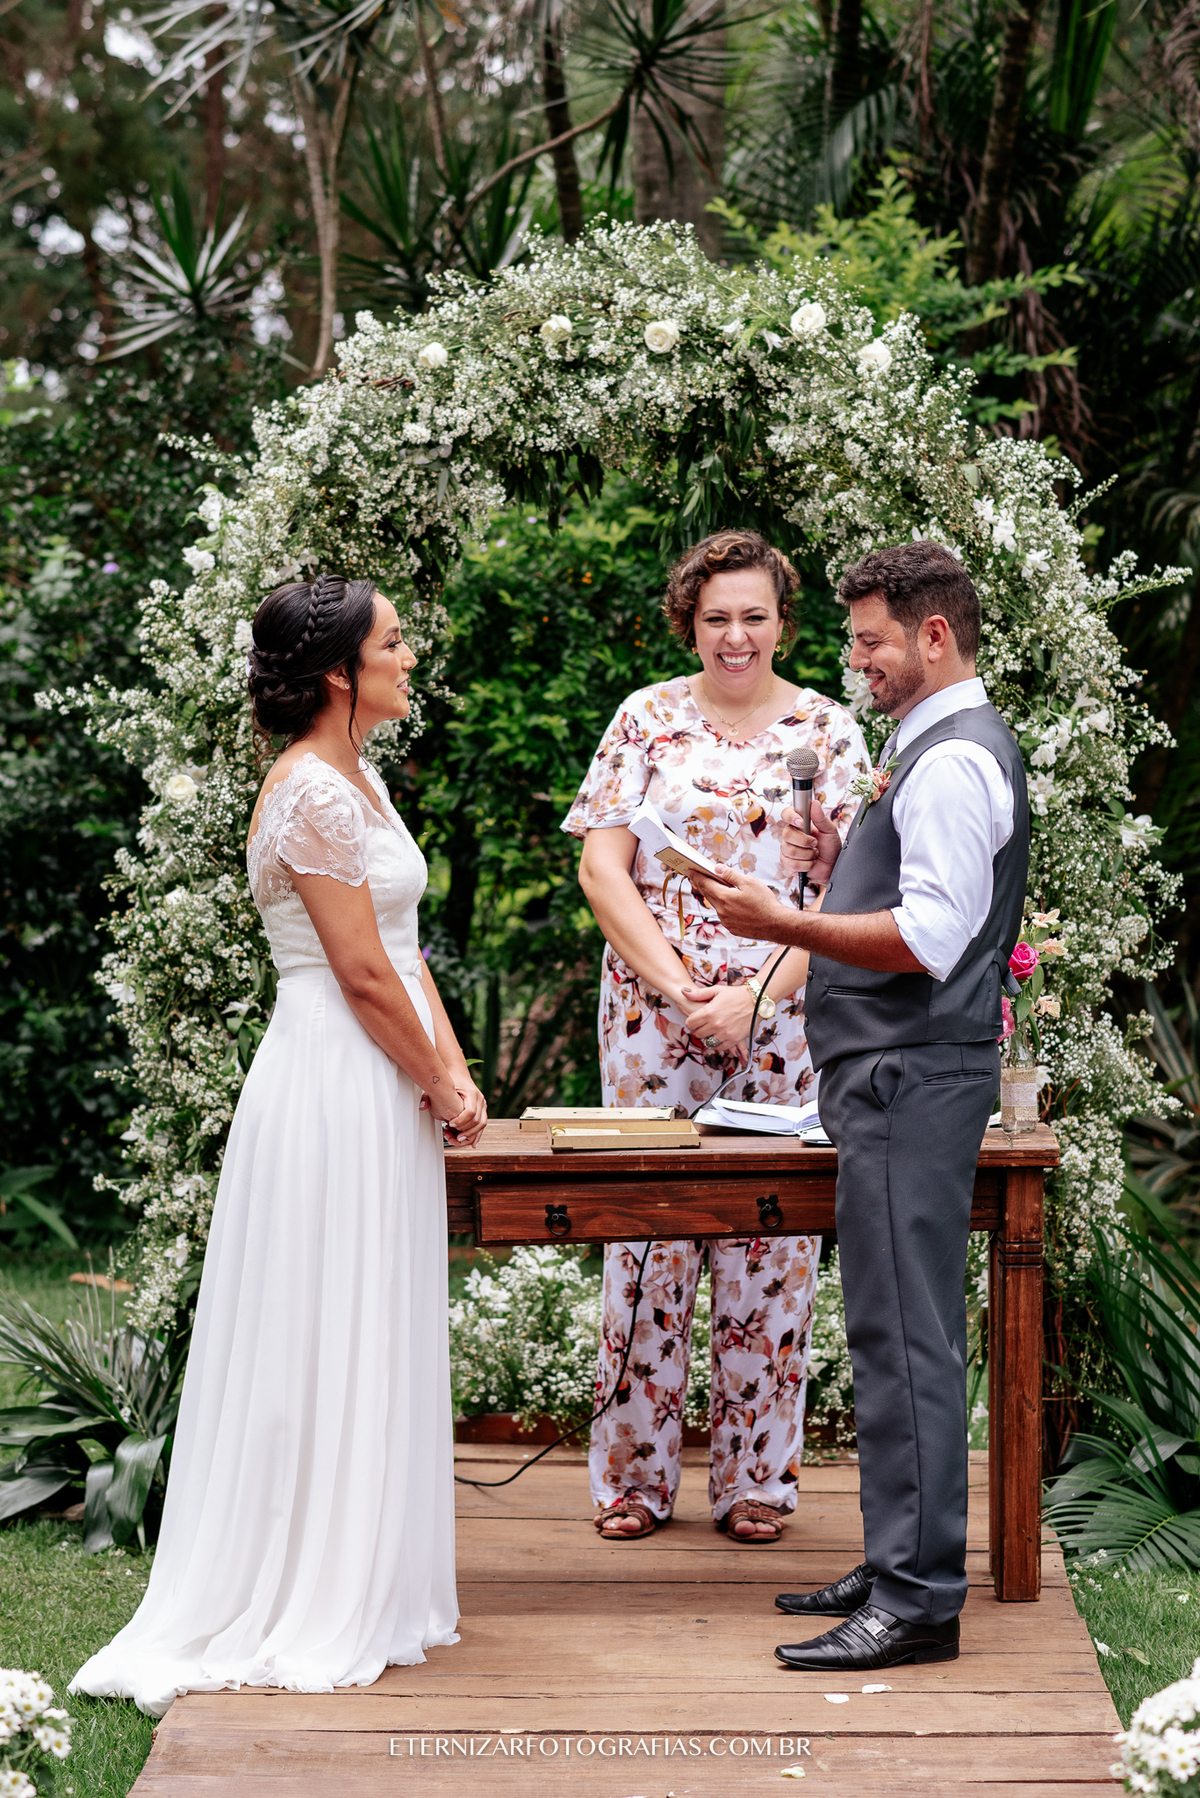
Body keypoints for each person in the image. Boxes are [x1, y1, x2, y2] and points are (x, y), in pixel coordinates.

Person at [71, 573, 487, 1718]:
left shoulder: (360, 777)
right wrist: (437, 1075)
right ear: (343, 673)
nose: (411, 656)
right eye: (395, 643)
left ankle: (370, 1571)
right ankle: (298, 1582)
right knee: (321, 1311)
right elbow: (356, 972)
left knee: (371, 1309)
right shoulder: (308, 792)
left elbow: (403, 953)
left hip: (381, 1070)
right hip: (330, 1075)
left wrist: (452, 1068)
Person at [690, 540, 1029, 1669]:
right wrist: (845, 855)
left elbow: (931, 940)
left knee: (906, 1340)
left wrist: (780, 924)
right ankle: (899, 1558)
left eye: (872, 639)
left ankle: (921, 1598)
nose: (857, 659)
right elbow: (924, 896)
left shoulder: (950, 763)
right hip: (897, 1080)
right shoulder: (929, 749)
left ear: (934, 636)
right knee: (889, 1331)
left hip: (909, 1079)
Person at [561, 530, 870, 1544]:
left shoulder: (830, 732)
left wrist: (755, 997)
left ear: (784, 620)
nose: (735, 636)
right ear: (688, 622)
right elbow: (605, 870)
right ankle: (632, 1479)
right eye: (715, 618)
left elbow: (851, 895)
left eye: (754, 615)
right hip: (654, 1021)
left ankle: (756, 1483)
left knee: (772, 1241)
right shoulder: (643, 720)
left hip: (786, 1018)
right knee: (642, 1235)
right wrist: (685, 986)